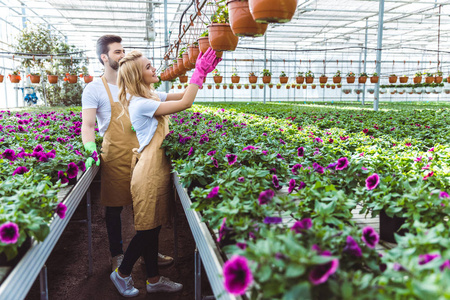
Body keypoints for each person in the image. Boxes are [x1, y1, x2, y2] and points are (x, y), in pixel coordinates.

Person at [109, 48, 221, 297]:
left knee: (154, 227)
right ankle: (122, 273)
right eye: (149, 67)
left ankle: (153, 279)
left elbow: (182, 94)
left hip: (156, 168)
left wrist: (200, 77)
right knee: (146, 230)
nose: (154, 69)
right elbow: (185, 103)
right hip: (148, 171)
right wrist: (197, 71)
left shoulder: (150, 94)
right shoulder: (141, 104)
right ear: (139, 76)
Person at [81, 35, 176, 272]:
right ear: (104, 57)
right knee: (114, 208)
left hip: (142, 153)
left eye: (123, 51)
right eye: (117, 52)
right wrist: (90, 147)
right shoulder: (95, 88)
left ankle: (147, 254)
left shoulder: (136, 87)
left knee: (145, 208)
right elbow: (88, 124)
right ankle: (117, 255)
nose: (122, 55)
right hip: (114, 156)